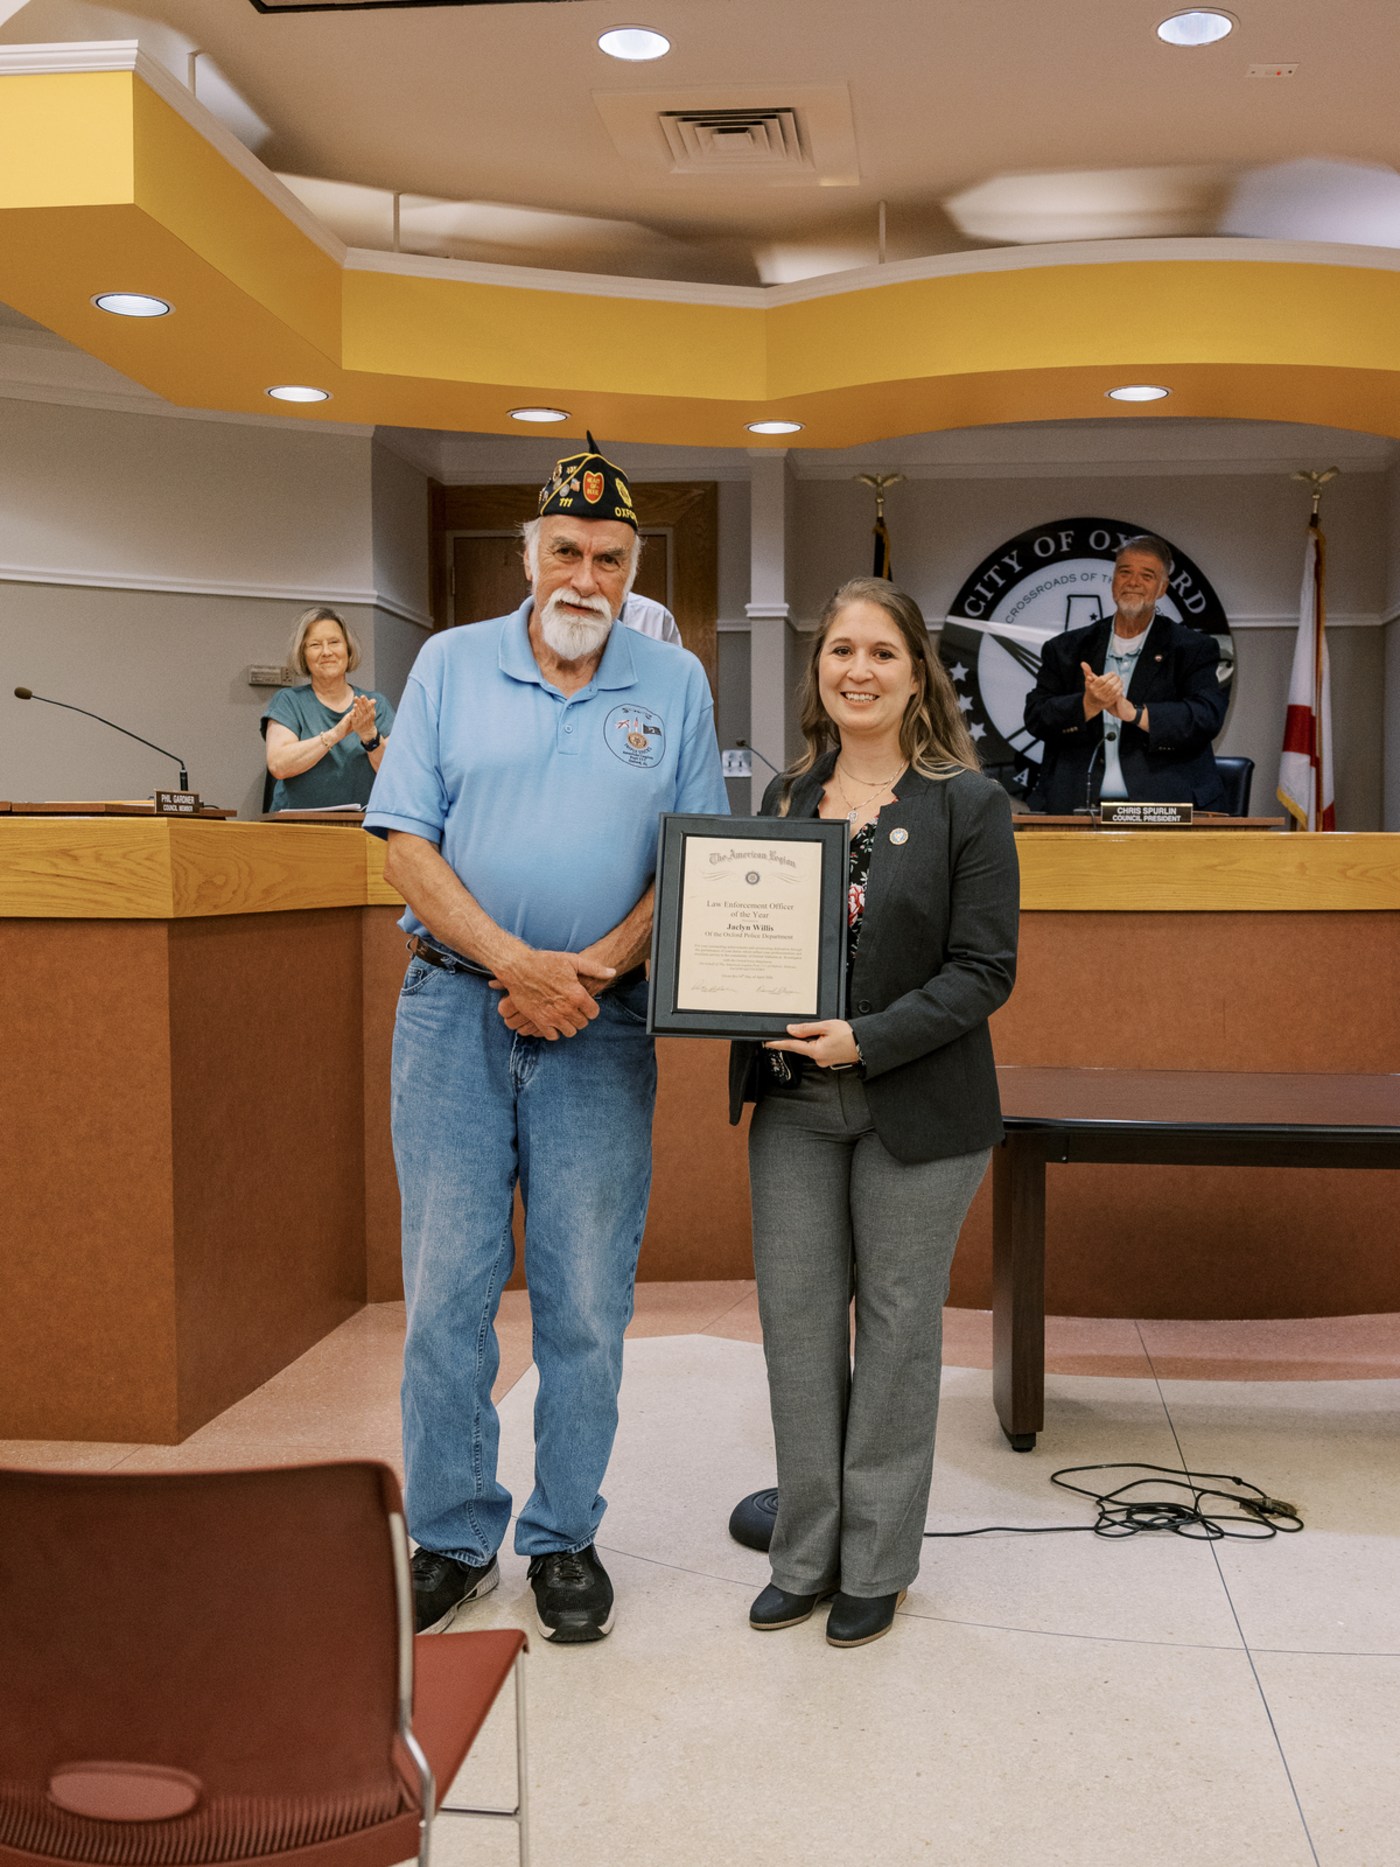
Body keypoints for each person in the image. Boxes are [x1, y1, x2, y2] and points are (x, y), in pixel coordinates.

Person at [364, 436, 727, 1644]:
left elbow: (695, 861)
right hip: (451, 1012)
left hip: (601, 1026)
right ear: (531, 559)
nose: (586, 576)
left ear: (632, 571)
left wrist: (593, 971)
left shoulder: (670, 686)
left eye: (610, 559)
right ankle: (454, 1536)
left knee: (583, 1303)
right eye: (565, 552)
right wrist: (514, 963)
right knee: (446, 1296)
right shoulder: (449, 664)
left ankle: (564, 1534)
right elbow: (406, 837)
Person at [729, 578, 1019, 1649]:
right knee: (797, 1330)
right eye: (838, 648)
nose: (856, 669)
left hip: (920, 1108)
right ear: (818, 669)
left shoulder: (966, 803)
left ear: (915, 674)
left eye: (880, 653)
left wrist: (869, 1036)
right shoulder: (782, 801)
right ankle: (803, 1552)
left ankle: (877, 1562)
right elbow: (742, 939)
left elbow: (983, 970)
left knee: (896, 1333)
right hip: (795, 1106)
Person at [1023, 534, 1228, 813]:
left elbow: (1206, 716)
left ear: (1162, 588)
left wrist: (1136, 713)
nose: (1133, 582)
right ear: (1113, 582)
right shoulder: (1065, 648)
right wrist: (1087, 704)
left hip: (1165, 805)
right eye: (1125, 572)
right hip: (1074, 806)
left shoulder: (1192, 648)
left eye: (1147, 575)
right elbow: (1036, 717)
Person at [261, 606, 393, 811]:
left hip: (362, 827)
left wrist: (370, 736)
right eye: (315, 645)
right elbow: (279, 765)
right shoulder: (288, 701)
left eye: (334, 642)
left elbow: (395, 773)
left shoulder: (375, 704)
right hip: (296, 828)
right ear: (303, 654)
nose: (326, 652)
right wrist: (335, 734)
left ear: (348, 650)